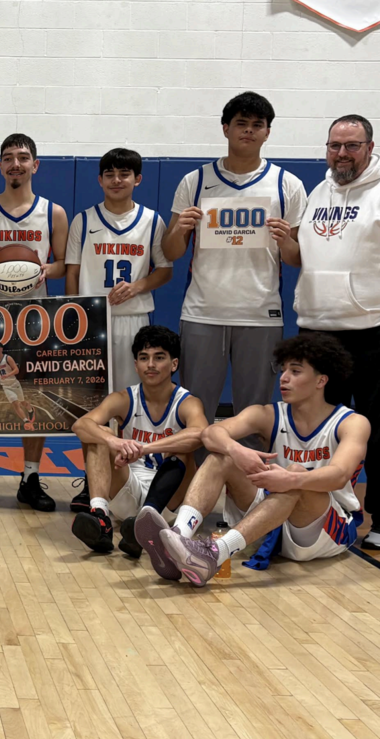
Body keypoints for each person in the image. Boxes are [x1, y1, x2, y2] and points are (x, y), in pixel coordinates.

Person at [150, 334, 369, 587]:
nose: (284, 378)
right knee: (221, 456)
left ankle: (215, 553)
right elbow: (209, 433)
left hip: (324, 529)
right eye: (283, 369)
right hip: (269, 517)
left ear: (321, 380)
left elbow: (339, 475)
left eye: (295, 371)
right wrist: (236, 450)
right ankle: (178, 539)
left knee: (295, 477)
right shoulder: (268, 414)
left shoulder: (351, 422)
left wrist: (290, 478)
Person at [162, 91, 307, 459]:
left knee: (253, 415)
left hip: (260, 313)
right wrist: (181, 230)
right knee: (195, 415)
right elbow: (170, 252)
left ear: (267, 132)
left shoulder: (285, 184)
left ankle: (245, 503)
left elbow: (296, 258)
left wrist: (284, 240)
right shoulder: (194, 181)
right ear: (226, 128)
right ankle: (190, 500)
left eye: (257, 125)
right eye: (241, 123)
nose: (249, 131)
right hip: (202, 312)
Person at [0, 133, 67, 512]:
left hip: (37, 319)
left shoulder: (53, 212)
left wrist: (45, 268)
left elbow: (64, 264)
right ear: (0, 166)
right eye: (8, 158)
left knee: (33, 396)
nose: (15, 164)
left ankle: (31, 478)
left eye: (23, 157)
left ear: (35, 165)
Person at [65, 148, 173, 512]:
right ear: (99, 179)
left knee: (127, 405)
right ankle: (93, 480)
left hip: (133, 320)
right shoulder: (84, 220)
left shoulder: (152, 220)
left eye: (124, 174)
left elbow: (165, 270)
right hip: (91, 323)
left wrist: (139, 286)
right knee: (93, 407)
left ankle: (125, 479)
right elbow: (72, 273)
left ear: (137, 179)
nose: (116, 180)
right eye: (109, 174)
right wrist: (72, 321)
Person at [295, 114, 380, 549]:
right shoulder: (318, 190)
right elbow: (305, 254)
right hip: (315, 328)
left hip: (368, 329)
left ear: (369, 147)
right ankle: (330, 514)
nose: (342, 154)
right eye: (334, 145)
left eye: (352, 145)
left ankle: (379, 519)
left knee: (374, 427)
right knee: (317, 428)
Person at [70, 326, 207, 563]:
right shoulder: (123, 398)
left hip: (166, 500)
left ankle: (146, 521)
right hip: (127, 489)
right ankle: (100, 517)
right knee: (97, 433)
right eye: (144, 358)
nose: (150, 364)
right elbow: (80, 425)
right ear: (136, 365)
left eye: (159, 357)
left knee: (184, 449)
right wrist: (114, 440)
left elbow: (201, 434)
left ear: (174, 364)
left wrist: (144, 448)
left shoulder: (187, 402)